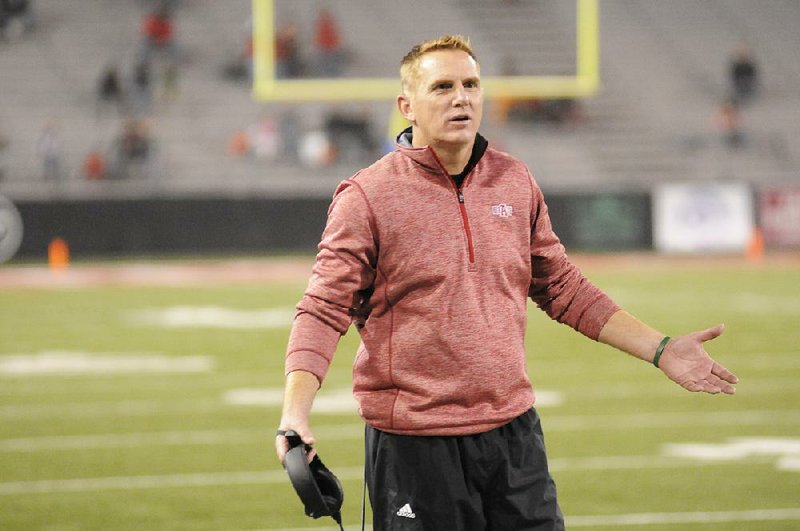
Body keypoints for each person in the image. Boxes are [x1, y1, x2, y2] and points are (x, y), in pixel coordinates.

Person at [275, 35, 739, 530]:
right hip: (415, 443)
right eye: (443, 87)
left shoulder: (514, 181)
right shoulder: (367, 196)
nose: (462, 98)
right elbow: (323, 309)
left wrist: (661, 349)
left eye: (472, 84)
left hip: (514, 436)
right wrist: (294, 414)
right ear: (406, 105)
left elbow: (563, 287)